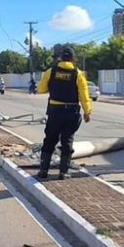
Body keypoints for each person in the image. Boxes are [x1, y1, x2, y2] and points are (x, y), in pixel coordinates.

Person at [36, 46, 92, 180]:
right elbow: (84, 96)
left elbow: (41, 89)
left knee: (49, 140)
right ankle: (63, 172)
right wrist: (87, 112)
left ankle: (43, 171)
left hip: (55, 112)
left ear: (60, 58)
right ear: (73, 59)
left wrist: (54, 87)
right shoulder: (78, 74)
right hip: (71, 112)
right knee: (67, 141)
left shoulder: (51, 71)